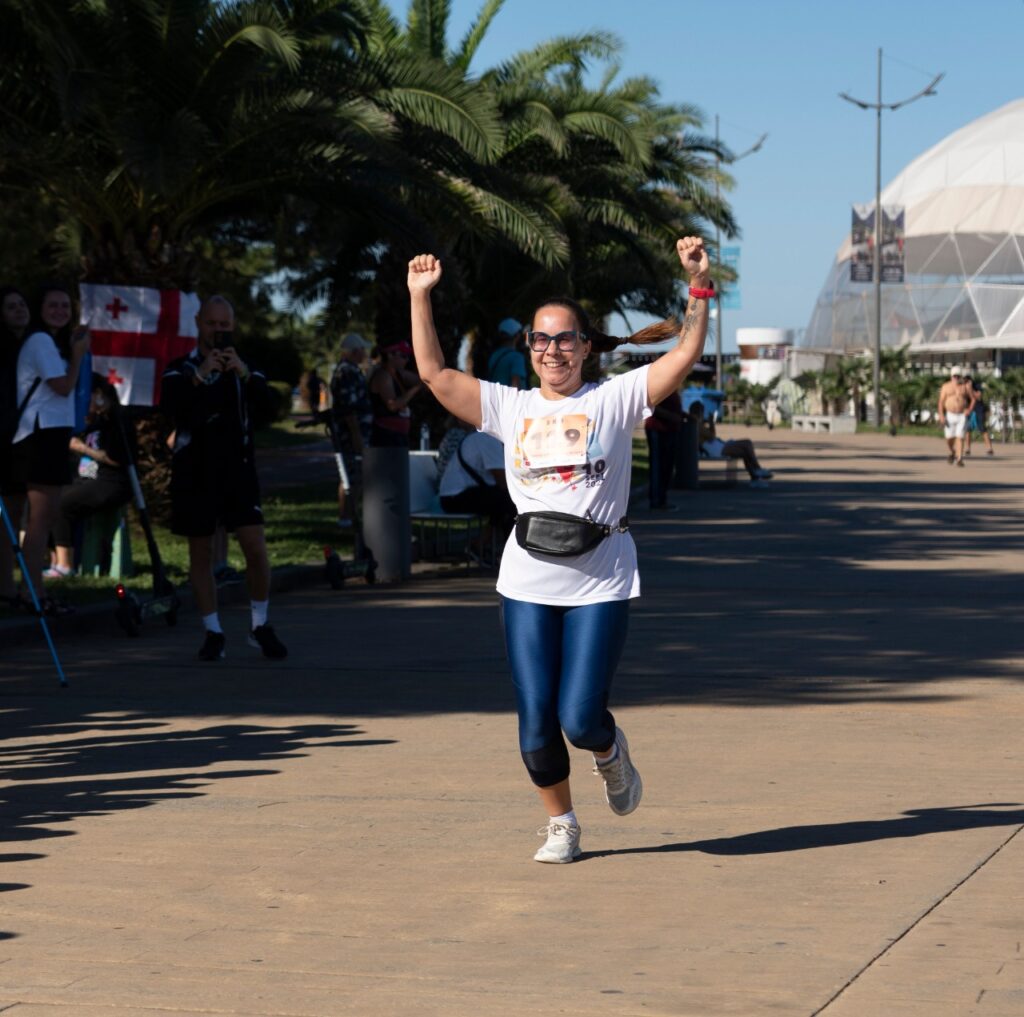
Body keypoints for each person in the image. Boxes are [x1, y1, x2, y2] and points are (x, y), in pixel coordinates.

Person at [408, 236, 712, 863]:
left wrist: (699, 287)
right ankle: (562, 823)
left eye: (565, 338)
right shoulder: (509, 406)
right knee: (536, 722)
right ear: (530, 349)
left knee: (580, 717)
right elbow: (435, 375)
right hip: (526, 581)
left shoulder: (614, 398)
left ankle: (609, 752)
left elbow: (683, 354)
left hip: (601, 578)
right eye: (541, 340)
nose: (552, 350)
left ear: (585, 344)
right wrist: (419, 298)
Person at [160, 295, 287, 662]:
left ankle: (259, 625)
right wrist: (200, 373)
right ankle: (213, 631)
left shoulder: (244, 369)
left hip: (238, 470)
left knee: (255, 547)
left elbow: (269, 407)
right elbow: (171, 406)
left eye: (225, 325)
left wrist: (243, 373)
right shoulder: (179, 368)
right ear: (199, 323)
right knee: (200, 552)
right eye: (212, 324)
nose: (219, 331)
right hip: (194, 473)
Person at [11, 285, 91, 613]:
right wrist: (78, 355)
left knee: (44, 519)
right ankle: (33, 593)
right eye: (52, 305)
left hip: (51, 435)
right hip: (40, 437)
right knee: (40, 522)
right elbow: (62, 386)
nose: (59, 310)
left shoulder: (52, 342)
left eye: (64, 306)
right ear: (39, 309)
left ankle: (33, 591)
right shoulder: (41, 341)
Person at [45, 374, 133, 578]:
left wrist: (83, 448)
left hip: (112, 482)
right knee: (50, 498)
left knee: (62, 503)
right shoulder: (93, 421)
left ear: (98, 394)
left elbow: (117, 458)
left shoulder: (117, 420)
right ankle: (55, 560)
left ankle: (66, 564)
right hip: (87, 479)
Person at [438, 419, 516, 557]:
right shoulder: (487, 439)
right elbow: (502, 480)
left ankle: (481, 544)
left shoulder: (483, 436)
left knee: (504, 501)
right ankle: (508, 553)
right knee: (510, 501)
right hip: (455, 497)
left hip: (455, 495)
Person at [0, 285, 32, 609]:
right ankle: (6, 585)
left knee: (17, 510)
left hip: (23, 437)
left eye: (22, 304)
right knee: (7, 513)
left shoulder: (34, 343)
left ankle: (12, 585)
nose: (19, 310)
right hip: (6, 435)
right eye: (11, 306)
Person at [329, 332, 372, 524]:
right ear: (355, 351)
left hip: (357, 433)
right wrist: (356, 437)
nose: (365, 353)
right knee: (351, 475)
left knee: (355, 475)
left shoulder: (352, 370)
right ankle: (346, 517)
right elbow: (349, 410)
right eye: (363, 349)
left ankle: (350, 516)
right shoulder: (346, 372)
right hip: (351, 435)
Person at [689, 401, 773, 487]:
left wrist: (708, 424)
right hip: (716, 449)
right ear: (699, 412)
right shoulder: (697, 424)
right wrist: (711, 423)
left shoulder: (696, 423)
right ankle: (757, 469)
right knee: (747, 443)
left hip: (716, 447)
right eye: (702, 412)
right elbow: (712, 436)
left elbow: (710, 436)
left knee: (744, 452)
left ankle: (755, 478)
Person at [369, 340, 422, 447]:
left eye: (408, 356)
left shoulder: (398, 374)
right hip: (386, 437)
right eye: (403, 356)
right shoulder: (383, 375)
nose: (407, 360)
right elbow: (392, 405)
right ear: (390, 355)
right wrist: (416, 388)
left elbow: (423, 379)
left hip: (397, 436)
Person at [645, 388, 684, 509]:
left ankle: (662, 499)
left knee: (667, 466)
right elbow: (651, 407)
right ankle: (656, 501)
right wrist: (672, 417)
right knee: (658, 466)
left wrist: (684, 415)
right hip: (658, 429)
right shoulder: (660, 386)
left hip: (670, 430)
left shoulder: (672, 387)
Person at [937, 365, 976, 467]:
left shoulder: (966, 386)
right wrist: (941, 415)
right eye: (954, 376)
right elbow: (941, 402)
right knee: (949, 438)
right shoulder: (946, 386)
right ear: (951, 376)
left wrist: (969, 409)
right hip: (949, 415)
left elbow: (973, 399)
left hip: (961, 415)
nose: (956, 378)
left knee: (960, 437)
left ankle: (959, 458)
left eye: (958, 376)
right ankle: (952, 451)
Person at [487, 318, 528, 389]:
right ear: (516, 336)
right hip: (510, 399)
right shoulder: (517, 357)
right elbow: (515, 386)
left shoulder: (494, 355)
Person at [963, 373, 994, 456]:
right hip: (968, 409)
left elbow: (978, 396)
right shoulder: (962, 387)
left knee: (982, 428)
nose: (966, 382)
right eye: (965, 381)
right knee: (968, 429)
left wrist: (970, 390)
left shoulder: (977, 386)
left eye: (967, 380)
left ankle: (989, 448)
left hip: (979, 409)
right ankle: (967, 449)